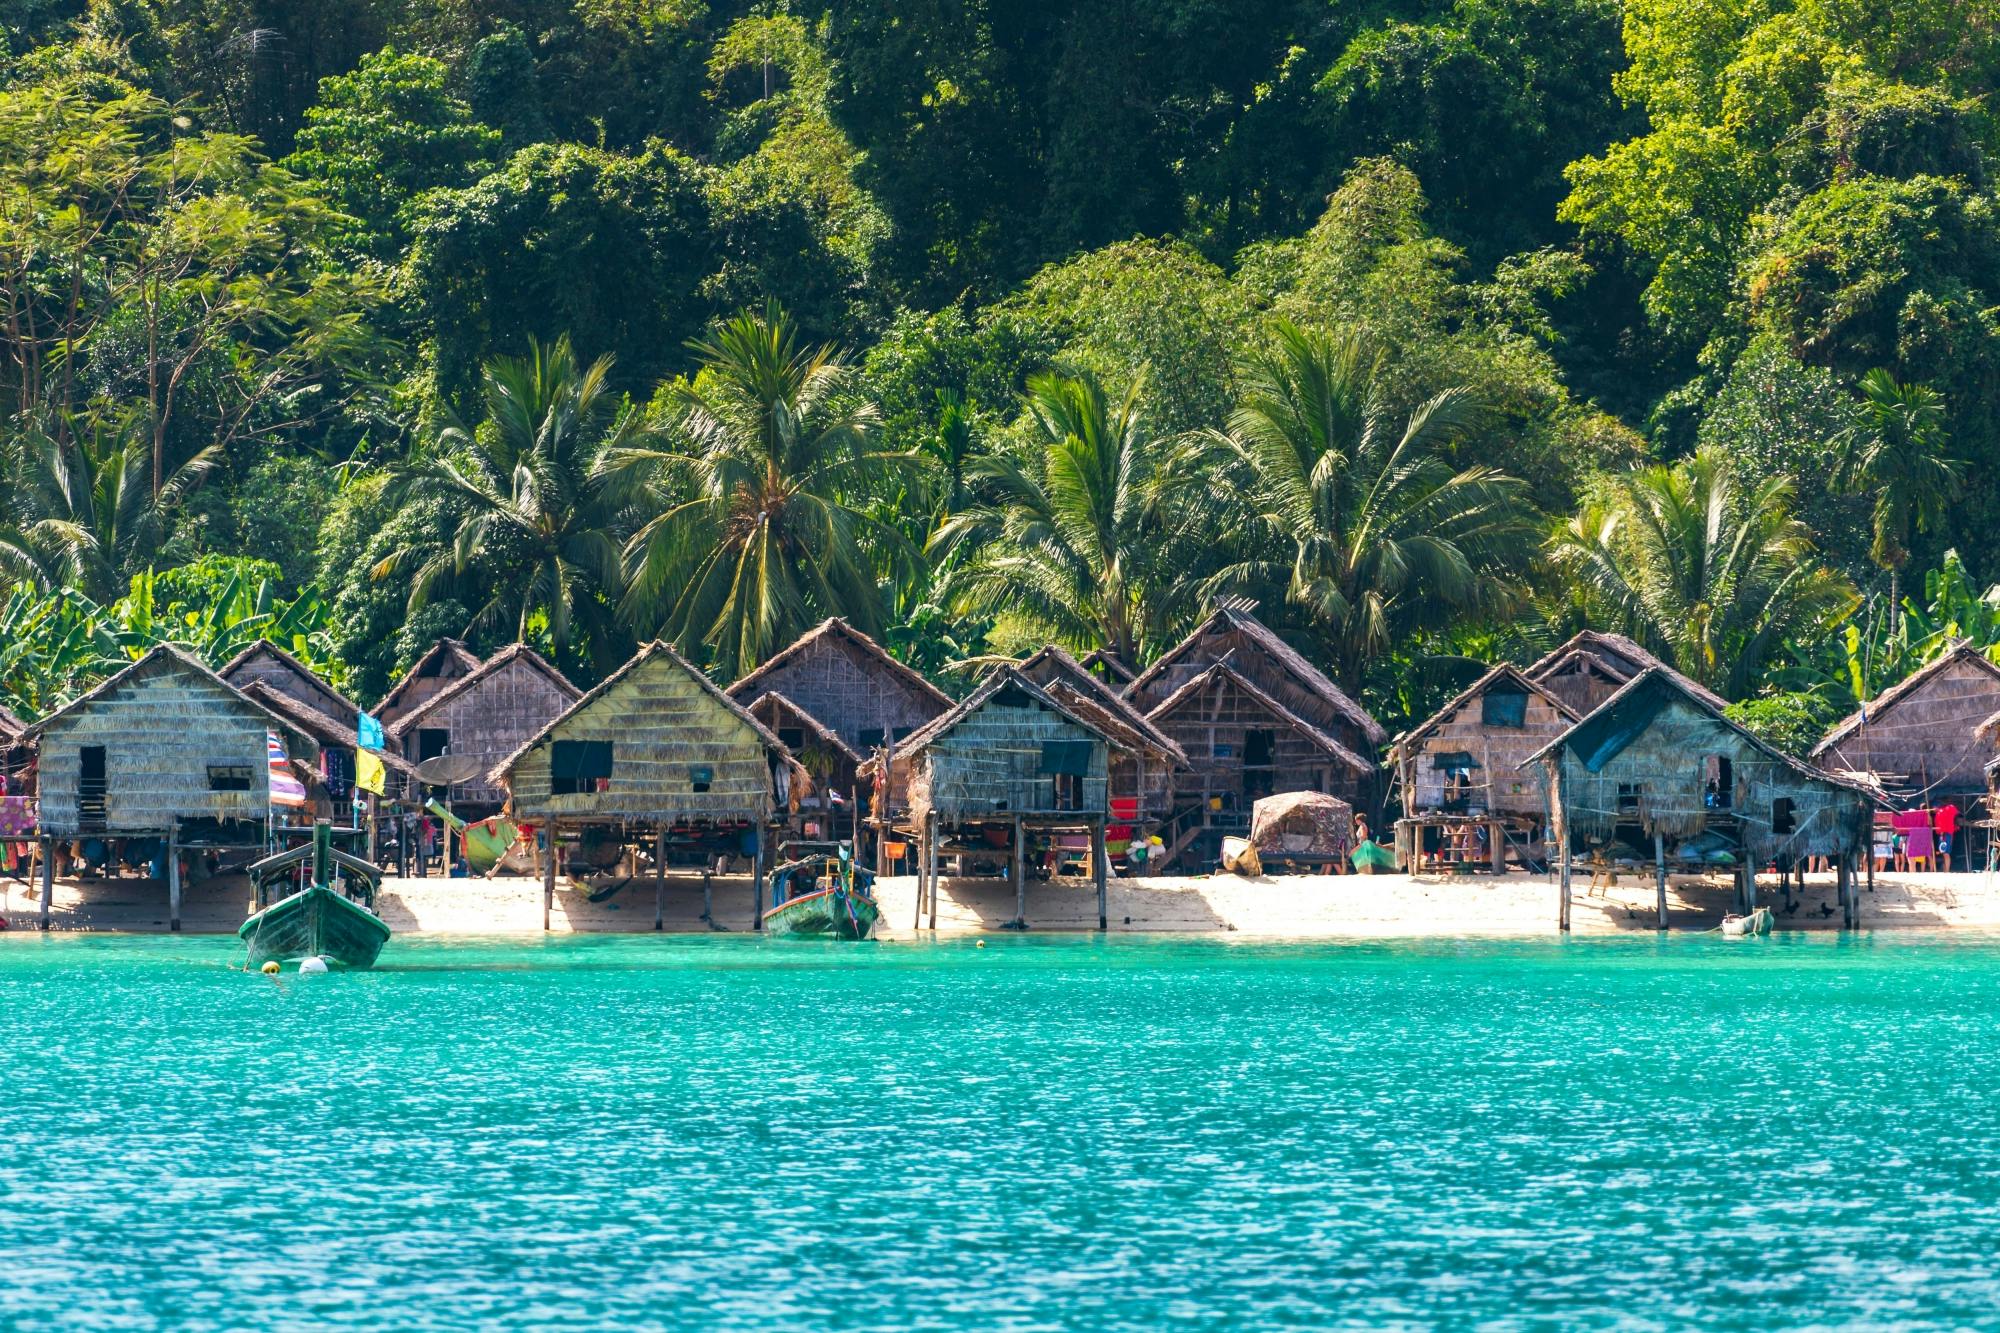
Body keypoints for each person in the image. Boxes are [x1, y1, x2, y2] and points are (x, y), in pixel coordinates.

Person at [1935, 800, 1960, 871]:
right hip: (1946, 833)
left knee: (1945, 853)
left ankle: (1947, 870)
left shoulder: (1942, 811)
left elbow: (1939, 823)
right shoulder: (1951, 808)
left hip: (1945, 833)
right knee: (1944, 852)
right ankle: (1946, 869)